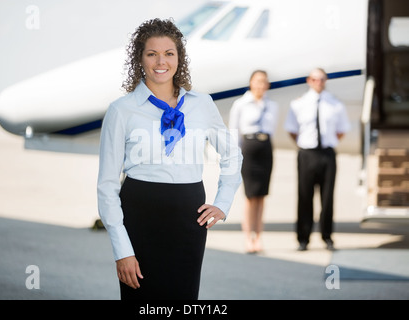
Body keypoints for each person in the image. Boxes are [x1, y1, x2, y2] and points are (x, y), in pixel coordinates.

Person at [97, 18, 242, 300]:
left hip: (189, 219)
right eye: (151, 54)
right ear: (140, 59)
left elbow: (232, 154)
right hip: (139, 215)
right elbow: (106, 185)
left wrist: (223, 203)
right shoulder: (122, 110)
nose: (160, 61)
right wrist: (122, 250)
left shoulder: (202, 105)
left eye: (169, 53)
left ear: (179, 59)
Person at [284, 68, 350, 251]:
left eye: (321, 79)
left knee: (327, 197)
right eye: (315, 79)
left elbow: (342, 129)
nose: (318, 83)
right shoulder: (298, 104)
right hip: (307, 153)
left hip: (327, 154)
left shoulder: (334, 104)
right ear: (309, 81)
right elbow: (291, 128)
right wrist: (304, 143)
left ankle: (327, 236)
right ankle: (303, 238)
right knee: (304, 196)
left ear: (325, 80)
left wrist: (329, 142)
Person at [229, 70, 279, 253]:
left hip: (265, 148)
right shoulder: (241, 104)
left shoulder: (271, 105)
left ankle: (258, 237)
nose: (260, 85)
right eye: (257, 82)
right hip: (249, 149)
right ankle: (248, 237)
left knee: (262, 196)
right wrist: (235, 155)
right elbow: (234, 131)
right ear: (251, 83)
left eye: (263, 82)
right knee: (250, 196)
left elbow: (272, 128)